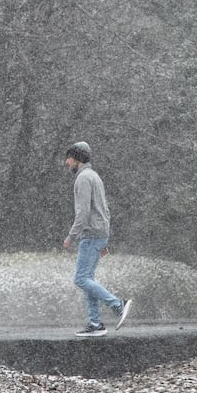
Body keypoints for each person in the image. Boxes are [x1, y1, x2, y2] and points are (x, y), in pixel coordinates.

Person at [62, 140, 132, 337]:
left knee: (81, 278)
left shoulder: (83, 178)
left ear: (76, 158)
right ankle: (95, 324)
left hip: (91, 234)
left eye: (68, 158)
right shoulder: (94, 176)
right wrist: (105, 238)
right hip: (99, 233)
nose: (66, 162)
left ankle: (118, 305)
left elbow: (83, 213)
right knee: (87, 279)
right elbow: (105, 210)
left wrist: (71, 237)